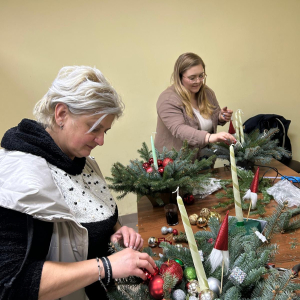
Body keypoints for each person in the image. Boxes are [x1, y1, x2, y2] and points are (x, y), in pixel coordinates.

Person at [0, 66, 156, 300]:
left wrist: (116, 232)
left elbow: (90, 224)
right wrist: (106, 266)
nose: (101, 141)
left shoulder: (83, 161)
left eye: (106, 131)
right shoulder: (18, 177)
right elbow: (14, 283)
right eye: (94, 128)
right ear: (61, 114)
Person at [155, 52, 236, 159]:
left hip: (204, 158)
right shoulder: (168, 99)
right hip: (175, 163)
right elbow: (179, 129)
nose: (198, 81)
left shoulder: (207, 92)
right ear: (179, 77)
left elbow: (212, 116)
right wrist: (209, 137)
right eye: (192, 78)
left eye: (201, 76)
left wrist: (220, 117)